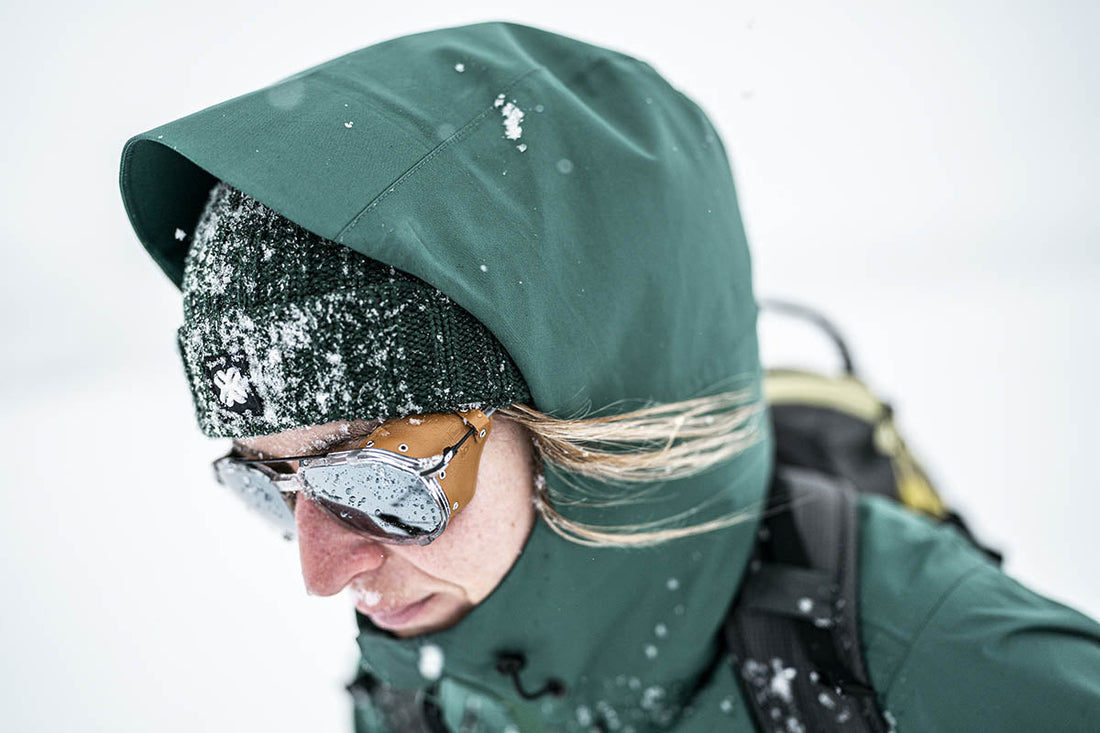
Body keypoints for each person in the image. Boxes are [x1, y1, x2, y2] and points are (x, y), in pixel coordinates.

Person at [119, 20, 1100, 733]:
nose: (319, 568)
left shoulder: (953, 669)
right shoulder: (423, 667)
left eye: (378, 482)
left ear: (581, 416)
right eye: (265, 481)